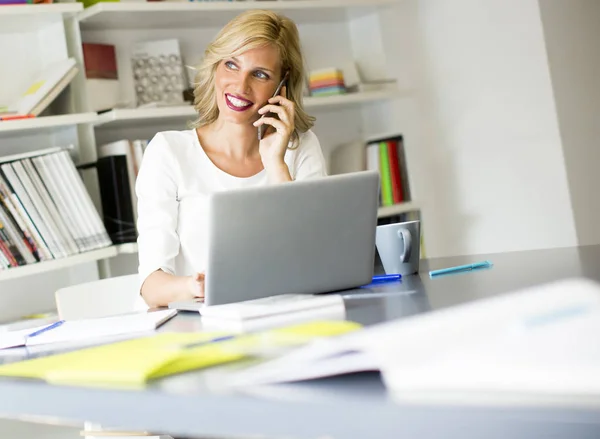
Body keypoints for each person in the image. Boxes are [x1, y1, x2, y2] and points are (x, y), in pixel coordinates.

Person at [136, 10, 328, 308]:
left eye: (260, 74)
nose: (240, 86)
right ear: (215, 67)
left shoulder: (300, 148)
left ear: (282, 84)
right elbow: (151, 285)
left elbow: (314, 259)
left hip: (284, 313)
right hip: (200, 322)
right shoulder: (168, 151)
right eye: (231, 65)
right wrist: (196, 286)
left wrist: (276, 163)